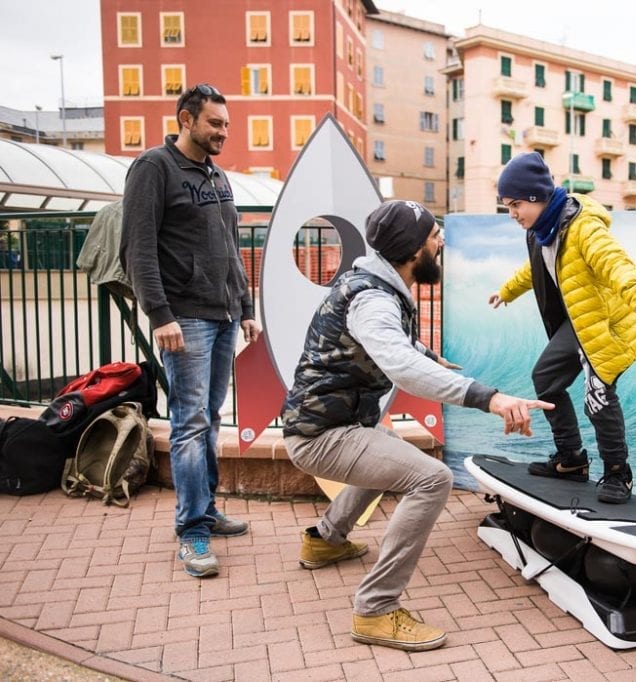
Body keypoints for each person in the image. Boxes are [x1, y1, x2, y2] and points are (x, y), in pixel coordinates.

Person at [281, 199, 552, 652]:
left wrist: (428, 356)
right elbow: (399, 363)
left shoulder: (372, 283)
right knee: (431, 478)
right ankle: (376, 609)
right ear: (412, 248)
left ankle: (326, 539)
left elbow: (393, 342)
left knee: (389, 449)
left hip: (330, 425)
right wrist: (490, 398)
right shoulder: (371, 298)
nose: (441, 241)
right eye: (433, 236)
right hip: (321, 436)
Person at [120, 83, 261, 578]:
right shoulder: (154, 168)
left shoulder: (217, 176)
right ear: (186, 119)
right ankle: (192, 532)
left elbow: (230, 245)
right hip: (185, 319)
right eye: (215, 123)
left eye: (226, 123)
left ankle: (206, 510)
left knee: (211, 418)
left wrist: (245, 304)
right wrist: (160, 314)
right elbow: (138, 249)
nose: (224, 131)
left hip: (222, 315)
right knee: (188, 423)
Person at [488, 152, 636, 505]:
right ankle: (571, 459)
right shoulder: (542, 230)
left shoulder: (583, 226)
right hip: (581, 320)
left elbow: (612, 262)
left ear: (535, 197)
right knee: (545, 378)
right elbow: (537, 268)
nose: (512, 214)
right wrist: (507, 291)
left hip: (612, 320)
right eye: (507, 206)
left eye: (515, 205)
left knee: (598, 396)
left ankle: (619, 472)